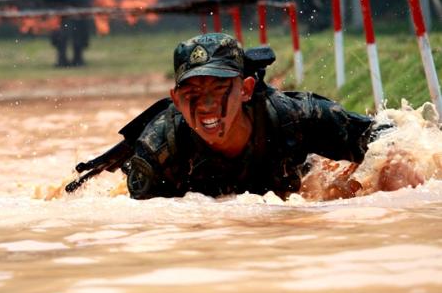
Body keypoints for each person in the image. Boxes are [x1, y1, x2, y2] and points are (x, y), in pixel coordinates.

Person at [124, 33, 396, 199]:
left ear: (245, 89)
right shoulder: (158, 150)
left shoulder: (295, 116)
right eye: (192, 93)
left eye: (218, 89)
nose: (206, 105)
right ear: (175, 99)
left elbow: (388, 138)